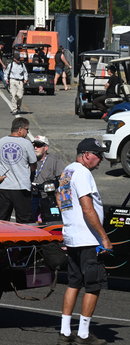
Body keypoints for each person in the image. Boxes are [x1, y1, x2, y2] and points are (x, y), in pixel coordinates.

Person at [57, 139, 112, 345]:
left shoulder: (67, 171)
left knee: (73, 282)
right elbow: (88, 208)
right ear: (87, 154)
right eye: (99, 155)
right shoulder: (82, 173)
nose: (101, 160)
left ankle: (65, 331)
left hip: (72, 236)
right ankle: (83, 334)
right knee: (93, 285)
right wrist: (104, 237)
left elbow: (59, 199)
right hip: (87, 239)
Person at [0, 117, 37, 224]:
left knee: (2, 220)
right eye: (27, 129)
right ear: (20, 130)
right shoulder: (26, 143)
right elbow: (33, 164)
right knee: (24, 220)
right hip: (21, 187)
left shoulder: (1, 141)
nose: (27, 132)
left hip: (4, 186)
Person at [31, 135, 67, 221]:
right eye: (34, 145)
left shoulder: (54, 160)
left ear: (46, 147)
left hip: (48, 196)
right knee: (29, 219)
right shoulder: (29, 159)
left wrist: (54, 184)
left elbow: (63, 180)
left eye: (38, 146)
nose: (35, 148)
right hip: (32, 196)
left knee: (53, 218)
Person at [5, 51, 29, 116]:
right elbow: (6, 72)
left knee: (20, 96)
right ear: (14, 59)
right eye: (17, 59)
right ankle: (14, 109)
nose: (19, 60)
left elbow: (25, 72)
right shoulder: (11, 65)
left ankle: (18, 106)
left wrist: (25, 79)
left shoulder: (22, 65)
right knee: (13, 95)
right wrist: (6, 79)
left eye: (19, 59)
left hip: (20, 81)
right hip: (12, 80)